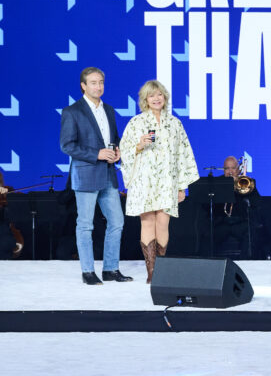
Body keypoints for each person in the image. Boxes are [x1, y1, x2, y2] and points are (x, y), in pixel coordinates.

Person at [119, 80, 200, 283]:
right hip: (144, 181)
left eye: (160, 95)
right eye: (151, 95)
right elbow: (124, 152)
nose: (156, 99)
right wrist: (138, 146)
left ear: (165, 98)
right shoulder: (136, 122)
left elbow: (183, 155)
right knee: (147, 222)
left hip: (167, 181)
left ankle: (161, 270)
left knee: (163, 223)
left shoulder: (175, 124)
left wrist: (182, 186)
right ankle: (151, 272)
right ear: (145, 99)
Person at [59, 67, 129, 285]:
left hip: (108, 173)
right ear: (83, 85)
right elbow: (66, 145)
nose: (98, 86)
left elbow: (114, 138)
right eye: (93, 82)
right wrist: (96, 154)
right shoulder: (72, 111)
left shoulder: (108, 109)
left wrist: (116, 151)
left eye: (101, 82)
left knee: (117, 221)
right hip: (86, 174)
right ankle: (88, 271)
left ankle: (110, 269)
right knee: (85, 225)